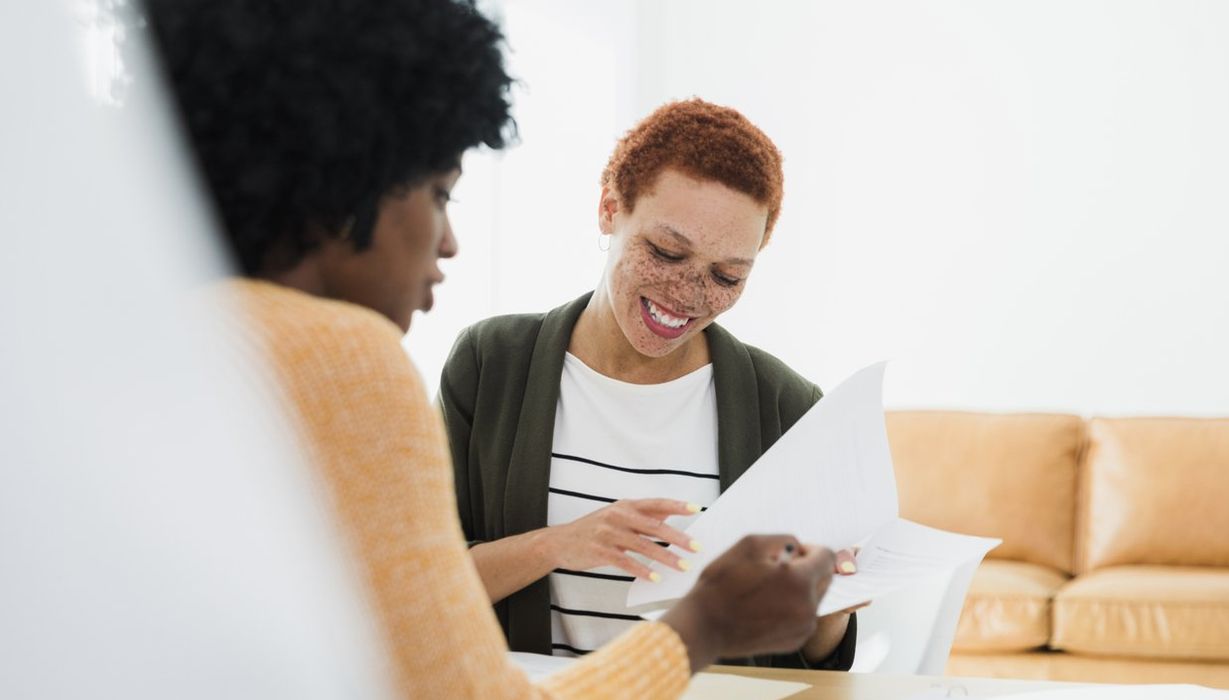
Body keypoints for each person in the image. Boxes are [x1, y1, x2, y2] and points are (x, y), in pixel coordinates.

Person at [143, 0, 843, 697]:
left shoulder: (173, 336)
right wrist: (704, 623)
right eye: (440, 193)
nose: (448, 240)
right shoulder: (359, 357)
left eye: (727, 275)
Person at [441, 98, 863, 669]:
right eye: (666, 252)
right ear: (609, 209)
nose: (687, 295)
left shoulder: (788, 406)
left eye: (726, 275)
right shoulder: (491, 364)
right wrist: (561, 544)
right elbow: (421, 588)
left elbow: (817, 659)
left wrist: (831, 600)